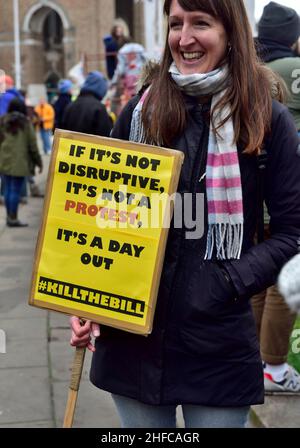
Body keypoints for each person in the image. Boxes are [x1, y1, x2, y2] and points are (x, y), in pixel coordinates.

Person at [69, 0, 300, 428]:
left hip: (217, 346)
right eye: (176, 24)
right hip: (132, 343)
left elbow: (293, 233)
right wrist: (85, 296)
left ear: (230, 31)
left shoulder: (268, 120)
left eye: (201, 24)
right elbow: (104, 216)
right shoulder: (139, 113)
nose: (185, 38)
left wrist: (227, 280)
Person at [251, 1, 300, 394]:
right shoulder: (292, 70)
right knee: (287, 282)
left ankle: (255, 359)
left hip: (250, 198)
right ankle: (274, 367)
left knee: (259, 279)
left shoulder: (245, 71)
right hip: (288, 195)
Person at [0, 99, 43, 227]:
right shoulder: (25, 123)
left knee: (7, 189)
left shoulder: (2, 120)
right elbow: (32, 145)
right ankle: (13, 218)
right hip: (20, 162)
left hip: (3, 161)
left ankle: (9, 216)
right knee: (14, 190)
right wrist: (38, 162)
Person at [62, 71, 112, 136]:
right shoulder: (99, 108)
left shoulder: (70, 106)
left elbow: (62, 131)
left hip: (69, 145)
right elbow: (105, 135)